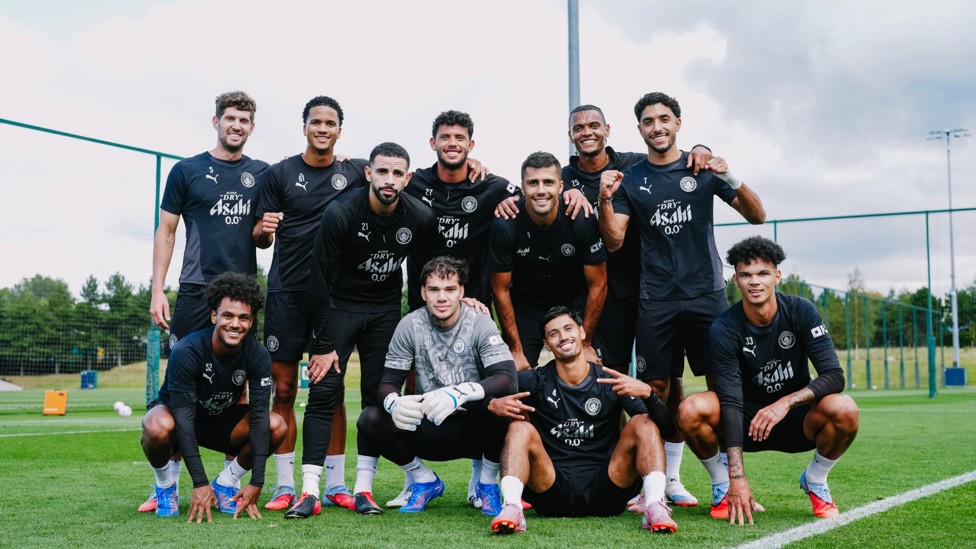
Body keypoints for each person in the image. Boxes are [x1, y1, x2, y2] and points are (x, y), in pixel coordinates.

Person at [597, 92, 766, 505]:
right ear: (640, 129)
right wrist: (604, 198)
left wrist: (730, 175)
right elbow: (614, 241)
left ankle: (724, 483)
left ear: (678, 123)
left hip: (706, 297)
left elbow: (757, 216)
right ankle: (665, 480)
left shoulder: (702, 167)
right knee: (655, 387)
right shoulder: (632, 179)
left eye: (664, 119)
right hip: (656, 300)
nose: (657, 126)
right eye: (649, 121)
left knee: (719, 386)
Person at [284, 142, 437, 518]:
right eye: (382, 171)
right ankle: (309, 491)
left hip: (385, 311)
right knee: (323, 393)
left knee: (378, 398)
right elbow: (316, 279)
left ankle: (363, 490)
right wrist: (320, 342)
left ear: (408, 179)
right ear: (368, 173)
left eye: (397, 173)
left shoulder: (419, 216)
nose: (389, 179)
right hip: (338, 307)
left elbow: (425, 275)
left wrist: (426, 327)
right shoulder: (341, 212)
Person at [142, 90, 270, 512]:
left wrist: (266, 232)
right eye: (230, 118)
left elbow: (262, 236)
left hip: (243, 295)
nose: (237, 126)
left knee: (242, 387)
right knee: (181, 386)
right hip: (196, 291)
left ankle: (226, 482)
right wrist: (158, 288)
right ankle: (169, 487)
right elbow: (167, 232)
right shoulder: (186, 171)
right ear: (215, 121)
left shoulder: (263, 175)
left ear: (252, 127)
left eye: (245, 121)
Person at [678, 236, 859, 524]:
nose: (755, 282)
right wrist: (736, 477)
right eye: (746, 275)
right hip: (746, 420)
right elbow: (730, 402)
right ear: (735, 280)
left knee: (845, 408)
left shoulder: (801, 311)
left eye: (763, 273)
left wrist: (786, 402)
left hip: (796, 417)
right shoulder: (724, 328)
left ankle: (815, 479)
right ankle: (722, 486)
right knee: (691, 408)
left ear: (777, 276)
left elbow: (834, 376)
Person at [252, 96, 368, 511]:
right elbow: (260, 236)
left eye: (330, 123)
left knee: (329, 390)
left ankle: (335, 485)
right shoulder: (278, 173)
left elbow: (402, 177)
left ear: (340, 130)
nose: (323, 128)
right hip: (286, 293)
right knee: (281, 390)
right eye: (315, 122)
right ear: (304, 128)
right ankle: (285, 485)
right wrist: (263, 231)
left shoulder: (356, 171)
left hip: (334, 299)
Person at [398, 110, 516, 510]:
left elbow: (540, 188)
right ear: (432, 143)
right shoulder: (413, 182)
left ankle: (481, 478)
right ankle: (417, 479)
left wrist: (570, 190)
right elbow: (372, 169)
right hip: (422, 306)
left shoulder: (493, 185)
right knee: (415, 391)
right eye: (445, 137)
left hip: (473, 306)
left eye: (460, 137)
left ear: (471, 144)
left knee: (481, 387)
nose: (452, 143)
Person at [487, 306, 677, 535]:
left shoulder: (610, 380)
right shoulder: (534, 380)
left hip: (608, 488)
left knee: (643, 421)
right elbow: (485, 389)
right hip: (552, 489)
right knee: (519, 427)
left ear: (582, 333)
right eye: (554, 333)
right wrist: (491, 403)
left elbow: (667, 429)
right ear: (547, 344)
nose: (563, 336)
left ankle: (655, 505)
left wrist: (648, 393)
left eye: (568, 329)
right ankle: (512, 508)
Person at [357, 256, 518, 515]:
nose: (442, 297)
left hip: (475, 428)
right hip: (431, 424)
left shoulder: (479, 322)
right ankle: (423, 479)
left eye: (450, 289)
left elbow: (508, 379)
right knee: (370, 418)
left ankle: (487, 485)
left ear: (461, 291)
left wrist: (461, 392)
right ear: (423, 292)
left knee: (503, 406)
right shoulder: (409, 325)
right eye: (434, 290)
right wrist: (393, 402)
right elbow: (387, 383)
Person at [139, 272, 286, 521]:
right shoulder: (188, 350)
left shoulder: (258, 355)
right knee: (156, 425)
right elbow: (184, 422)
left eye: (244, 318)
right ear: (214, 316)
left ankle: (225, 483)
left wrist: (257, 482)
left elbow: (260, 418)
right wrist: (199, 484)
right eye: (227, 315)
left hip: (220, 422)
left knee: (276, 425)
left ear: (251, 322)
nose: (235, 324)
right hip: (179, 420)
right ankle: (165, 488)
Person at [488, 152, 607, 371]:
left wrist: (586, 340)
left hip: (572, 303)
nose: (541, 190)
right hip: (526, 306)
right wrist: (515, 348)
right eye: (533, 183)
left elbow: (598, 284)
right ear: (522, 188)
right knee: (514, 376)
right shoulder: (505, 223)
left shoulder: (580, 217)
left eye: (548, 182)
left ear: (560, 187)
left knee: (594, 374)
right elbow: (500, 289)